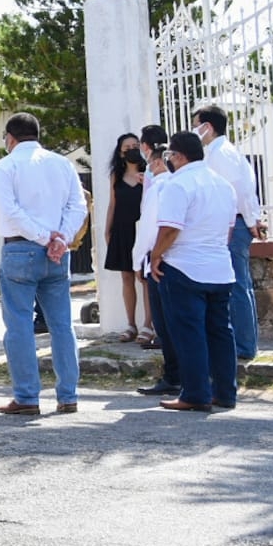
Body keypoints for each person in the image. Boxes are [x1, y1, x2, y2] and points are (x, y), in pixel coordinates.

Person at [0, 113, 88, 416]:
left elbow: (11, 210)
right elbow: (79, 206)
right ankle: (68, 395)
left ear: (10, 137)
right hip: (58, 253)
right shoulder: (62, 164)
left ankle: (27, 396)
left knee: (19, 324)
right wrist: (61, 239)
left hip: (21, 248)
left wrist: (45, 237)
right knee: (61, 325)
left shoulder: (6, 166)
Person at [147, 131, 239, 412]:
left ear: (179, 156)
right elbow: (229, 231)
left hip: (184, 266)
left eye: (170, 155)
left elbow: (171, 227)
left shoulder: (178, 184)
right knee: (221, 332)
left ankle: (196, 393)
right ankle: (224, 392)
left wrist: (156, 255)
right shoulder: (223, 185)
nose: (169, 160)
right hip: (220, 268)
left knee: (189, 333)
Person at [192, 104, 264, 360]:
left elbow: (240, 190)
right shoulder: (218, 151)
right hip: (230, 224)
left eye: (196, 124)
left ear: (207, 127)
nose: (194, 130)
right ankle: (240, 344)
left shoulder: (220, 153)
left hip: (233, 225)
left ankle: (244, 347)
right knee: (235, 287)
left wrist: (251, 219)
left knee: (237, 287)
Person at [130, 125, 181, 397]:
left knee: (165, 325)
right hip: (180, 260)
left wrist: (138, 260)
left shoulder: (159, 187)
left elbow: (148, 228)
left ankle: (173, 376)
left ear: (158, 161)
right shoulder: (179, 184)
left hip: (158, 261)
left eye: (151, 161)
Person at [103, 132, 152, 344]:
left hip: (143, 229)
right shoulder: (116, 175)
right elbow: (112, 204)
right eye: (127, 146)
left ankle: (148, 325)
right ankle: (130, 324)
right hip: (123, 229)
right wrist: (107, 229)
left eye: (135, 145)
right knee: (126, 277)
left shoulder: (149, 173)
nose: (131, 149)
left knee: (145, 278)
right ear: (120, 151)